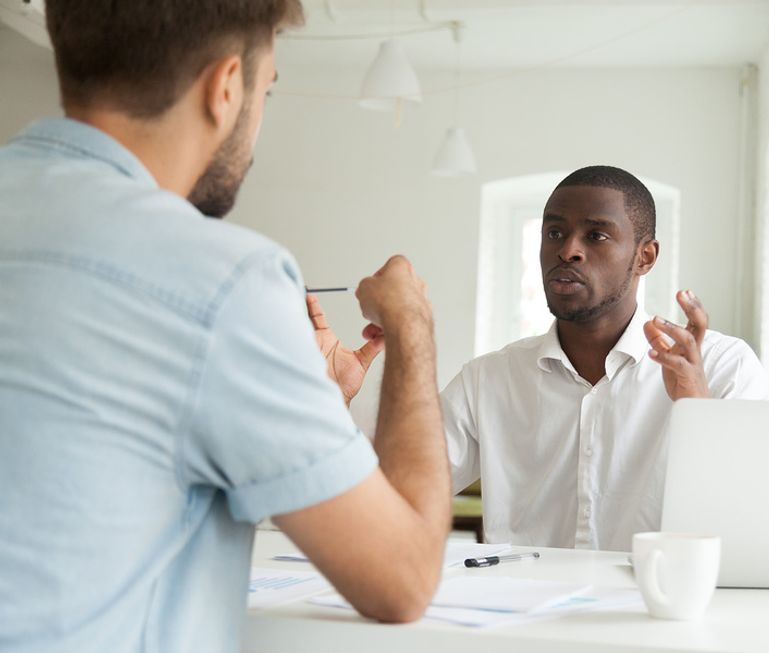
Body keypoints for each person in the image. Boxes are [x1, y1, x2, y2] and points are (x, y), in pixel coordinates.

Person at [0, 2, 449, 651]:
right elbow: (403, 578)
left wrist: (306, 402)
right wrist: (411, 323)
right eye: (266, 90)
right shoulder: (223, 279)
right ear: (227, 86)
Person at [439, 166, 769, 551]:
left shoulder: (723, 365)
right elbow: (400, 491)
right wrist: (348, 405)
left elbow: (756, 517)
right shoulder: (489, 379)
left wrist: (696, 408)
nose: (568, 250)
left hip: (658, 604)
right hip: (523, 604)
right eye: (554, 233)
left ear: (644, 257)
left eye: (596, 235)